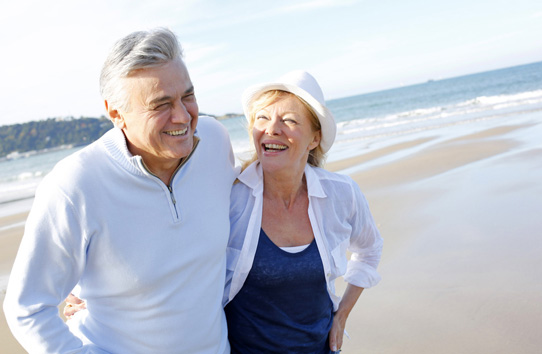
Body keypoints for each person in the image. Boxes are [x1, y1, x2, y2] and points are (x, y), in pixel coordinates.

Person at [3, 28, 238, 353]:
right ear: (116, 114)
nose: (183, 116)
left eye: (187, 95)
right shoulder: (76, 185)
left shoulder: (215, 140)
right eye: (161, 104)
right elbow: (27, 309)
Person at [223, 70, 383, 353]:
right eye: (262, 117)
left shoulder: (341, 194)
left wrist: (342, 315)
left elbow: (369, 250)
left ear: (313, 139)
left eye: (289, 120)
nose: (272, 129)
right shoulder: (229, 197)